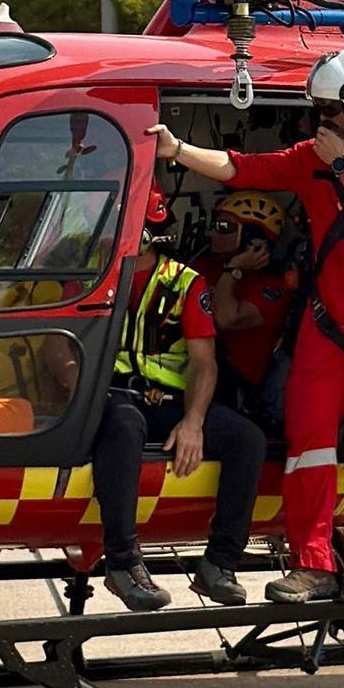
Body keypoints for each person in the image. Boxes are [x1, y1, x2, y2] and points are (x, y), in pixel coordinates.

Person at [146, 48, 344, 609]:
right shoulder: (312, 157)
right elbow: (242, 168)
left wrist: (342, 166)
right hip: (325, 323)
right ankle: (312, 563)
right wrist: (177, 150)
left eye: (328, 110)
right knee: (308, 445)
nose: (319, 120)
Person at [92, 178, 267, 611]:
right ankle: (123, 563)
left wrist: (193, 422)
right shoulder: (95, 276)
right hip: (114, 399)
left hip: (170, 403)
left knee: (248, 440)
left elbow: (204, 363)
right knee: (123, 425)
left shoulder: (185, 283)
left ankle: (220, 564)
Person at [190, 191, 291, 423]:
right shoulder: (202, 266)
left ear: (253, 241)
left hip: (232, 391)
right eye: (214, 225)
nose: (212, 233)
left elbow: (226, 319)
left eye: (223, 227)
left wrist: (233, 270)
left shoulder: (272, 289)